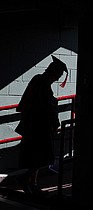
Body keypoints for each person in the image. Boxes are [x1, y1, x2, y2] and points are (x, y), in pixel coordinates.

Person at [15, 55, 68, 195]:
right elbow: (48, 108)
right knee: (43, 157)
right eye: (59, 74)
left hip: (32, 125)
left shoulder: (38, 80)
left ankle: (33, 184)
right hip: (39, 127)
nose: (58, 78)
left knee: (36, 156)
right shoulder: (43, 84)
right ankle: (26, 179)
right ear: (53, 72)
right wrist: (55, 123)